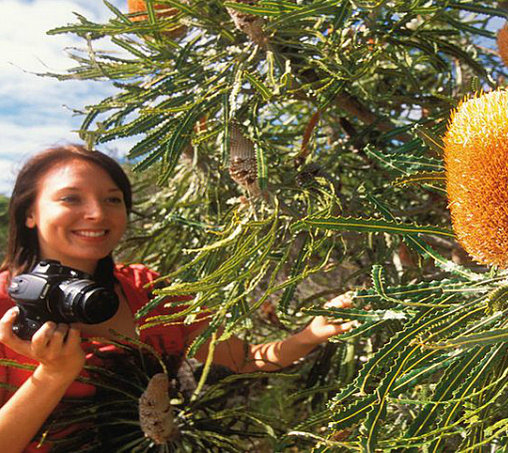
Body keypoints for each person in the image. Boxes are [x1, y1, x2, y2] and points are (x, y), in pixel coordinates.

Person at [0, 145, 355, 452]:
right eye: (70, 198)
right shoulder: (4, 304)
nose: (97, 213)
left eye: (113, 199)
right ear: (29, 212)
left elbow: (242, 359)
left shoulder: (149, 290)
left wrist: (309, 336)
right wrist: (52, 376)